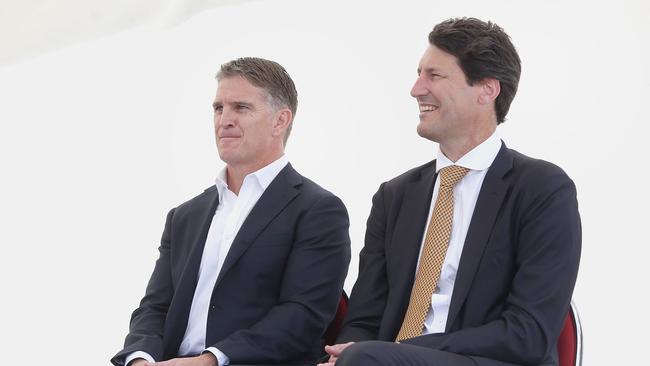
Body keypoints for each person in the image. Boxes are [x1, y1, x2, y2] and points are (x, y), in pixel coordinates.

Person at [321, 17, 581, 366]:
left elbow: (528, 333)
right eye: (418, 73)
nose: (416, 89)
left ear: (486, 90)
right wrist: (344, 353)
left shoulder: (542, 189)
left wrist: (402, 352)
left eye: (435, 75)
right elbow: (365, 319)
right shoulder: (394, 196)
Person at [112, 57, 351, 366]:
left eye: (240, 108)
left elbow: (303, 315)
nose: (224, 119)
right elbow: (155, 308)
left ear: (281, 121)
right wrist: (140, 359)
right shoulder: (185, 216)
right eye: (218, 108)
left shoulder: (318, 210)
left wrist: (211, 360)